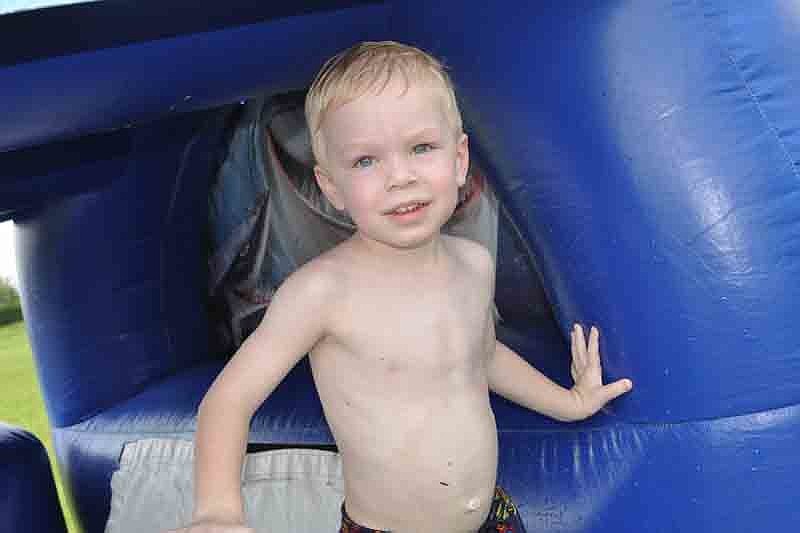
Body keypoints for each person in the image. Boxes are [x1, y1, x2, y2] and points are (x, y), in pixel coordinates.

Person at [169, 41, 633, 533]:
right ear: (331, 187)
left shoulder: (473, 263)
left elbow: (481, 355)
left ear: (459, 159)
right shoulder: (322, 293)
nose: (400, 177)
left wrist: (568, 402)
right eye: (367, 161)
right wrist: (218, 511)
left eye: (421, 148)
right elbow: (229, 400)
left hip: (491, 518)